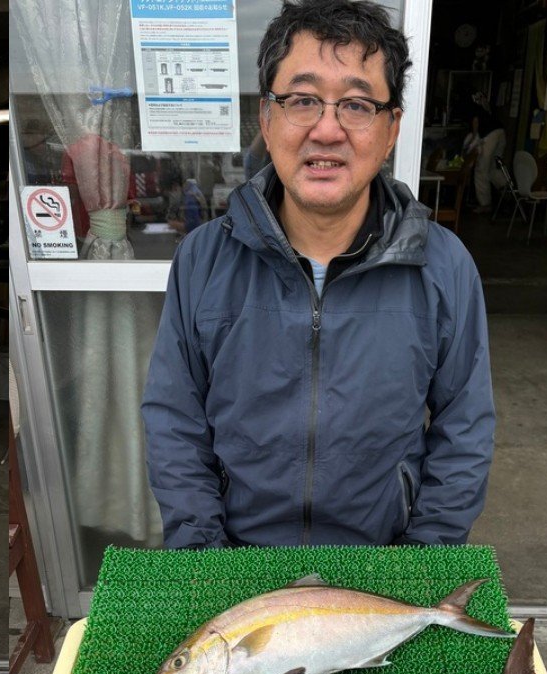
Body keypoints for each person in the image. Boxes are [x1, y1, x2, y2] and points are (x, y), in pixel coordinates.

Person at [141, 0, 495, 550]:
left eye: (356, 105)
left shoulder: (443, 266)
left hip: (383, 557)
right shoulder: (204, 260)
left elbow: (464, 428)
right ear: (266, 117)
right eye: (303, 100)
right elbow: (174, 419)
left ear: (391, 129)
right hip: (234, 553)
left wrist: (424, 559)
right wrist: (201, 555)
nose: (327, 131)